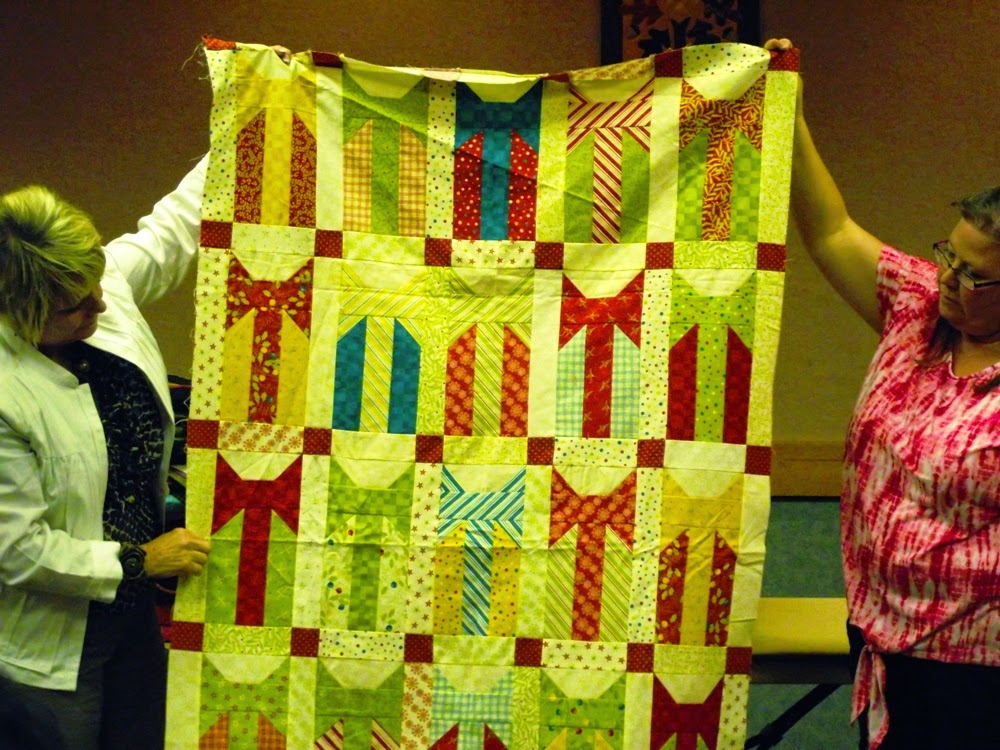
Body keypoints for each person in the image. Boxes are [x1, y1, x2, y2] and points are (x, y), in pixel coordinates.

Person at [764, 38, 1000, 749]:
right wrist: (789, 112)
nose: (950, 278)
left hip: (978, 670)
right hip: (882, 639)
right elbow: (831, 229)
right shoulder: (917, 311)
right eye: (948, 255)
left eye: (974, 275)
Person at [0, 160, 212, 749]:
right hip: (54, 638)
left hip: (133, 619)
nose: (101, 306)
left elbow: (174, 228)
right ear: (20, 309)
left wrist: (243, 127)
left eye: (98, 285)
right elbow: (18, 549)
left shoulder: (94, 289)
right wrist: (140, 561)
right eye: (77, 307)